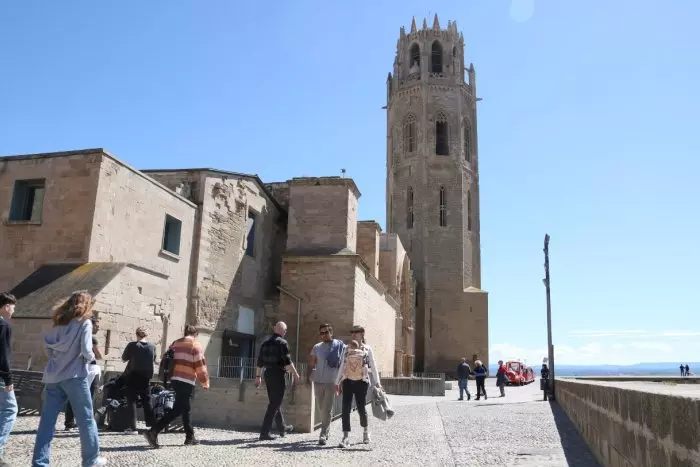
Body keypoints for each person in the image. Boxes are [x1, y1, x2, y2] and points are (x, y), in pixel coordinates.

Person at [32, 291, 106, 467]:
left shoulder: (58, 323)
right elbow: (87, 351)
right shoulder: (84, 323)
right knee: (86, 419)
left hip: (52, 377)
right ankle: (91, 460)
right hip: (74, 376)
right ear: (86, 305)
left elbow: (48, 349)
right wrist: (87, 360)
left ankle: (39, 463)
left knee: (47, 423)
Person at [143, 325, 209, 448]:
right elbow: (200, 365)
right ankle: (153, 431)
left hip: (175, 379)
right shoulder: (195, 345)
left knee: (185, 408)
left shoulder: (175, 343)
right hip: (187, 380)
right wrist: (204, 382)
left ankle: (190, 436)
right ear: (195, 334)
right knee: (178, 409)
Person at [335, 325, 381, 448]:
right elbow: (342, 365)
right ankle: (345, 437)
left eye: (356, 332)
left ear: (362, 334)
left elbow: (373, 365)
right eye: (352, 332)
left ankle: (366, 431)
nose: (353, 334)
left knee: (361, 407)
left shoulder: (367, 349)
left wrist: (377, 382)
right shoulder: (346, 348)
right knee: (345, 407)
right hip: (348, 380)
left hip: (362, 381)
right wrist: (337, 381)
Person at [255, 321, 299, 441]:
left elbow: (259, 362)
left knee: (274, 402)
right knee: (274, 403)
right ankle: (264, 432)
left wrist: (257, 377)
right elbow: (288, 361)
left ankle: (282, 427)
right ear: (282, 331)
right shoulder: (283, 343)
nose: (285, 333)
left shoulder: (265, 343)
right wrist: (295, 374)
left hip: (267, 374)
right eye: (285, 331)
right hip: (278, 375)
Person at [307, 323, 344, 445]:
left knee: (326, 409)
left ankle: (323, 433)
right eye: (321, 333)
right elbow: (311, 363)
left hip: (331, 381)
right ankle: (327, 428)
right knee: (320, 408)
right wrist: (307, 378)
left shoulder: (339, 346)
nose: (323, 335)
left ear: (331, 332)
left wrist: (342, 381)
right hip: (318, 380)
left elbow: (344, 364)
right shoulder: (317, 347)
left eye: (326, 332)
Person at [65, 316, 102, 431]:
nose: (98, 328)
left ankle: (69, 422)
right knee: (88, 396)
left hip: (77, 368)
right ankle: (85, 422)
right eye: (96, 325)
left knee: (74, 395)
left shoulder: (76, 335)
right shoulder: (92, 339)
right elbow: (99, 355)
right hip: (90, 369)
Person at [121, 327, 156, 434]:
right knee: (147, 401)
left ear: (136, 334)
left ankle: (132, 427)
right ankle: (153, 426)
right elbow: (153, 360)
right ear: (146, 335)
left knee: (131, 401)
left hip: (133, 375)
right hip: (146, 377)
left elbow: (123, 359)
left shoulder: (132, 345)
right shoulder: (152, 346)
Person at [0, 293, 17, 467]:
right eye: (12, 306)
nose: (13, 310)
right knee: (10, 410)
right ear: (5, 307)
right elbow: (3, 354)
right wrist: (8, 378)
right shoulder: (4, 325)